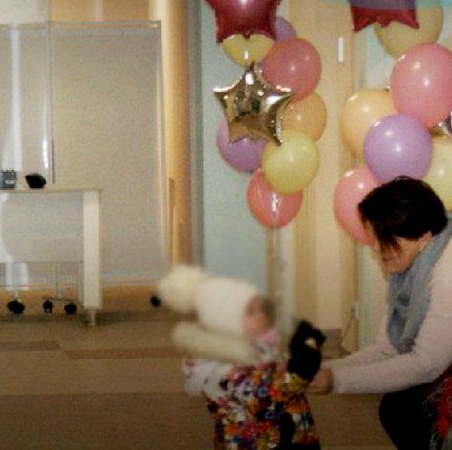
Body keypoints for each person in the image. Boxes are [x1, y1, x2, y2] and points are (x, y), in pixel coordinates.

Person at [309, 176, 452, 449]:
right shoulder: (406, 274)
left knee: (404, 410)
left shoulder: (447, 269)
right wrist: (324, 371)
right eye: (373, 237)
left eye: (384, 238)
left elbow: (426, 364)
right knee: (398, 407)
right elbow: (387, 349)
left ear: (423, 238)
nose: (375, 247)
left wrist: (336, 380)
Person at [159, 265, 325, 449]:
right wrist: (303, 366)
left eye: (261, 309)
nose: (261, 316)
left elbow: (273, 371)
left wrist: (297, 346)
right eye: (251, 312)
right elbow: (268, 397)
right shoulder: (224, 368)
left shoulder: (254, 347)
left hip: (289, 434)